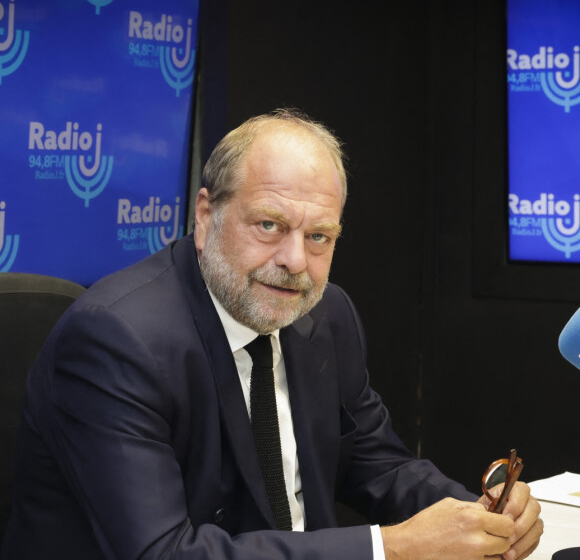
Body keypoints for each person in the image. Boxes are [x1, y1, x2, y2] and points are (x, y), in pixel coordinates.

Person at [1, 109, 542, 559]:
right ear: (206, 215)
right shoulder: (117, 340)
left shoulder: (327, 314)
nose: (295, 262)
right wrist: (390, 548)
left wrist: (479, 514)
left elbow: (379, 466)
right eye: (269, 226)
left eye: (319, 237)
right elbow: (164, 554)